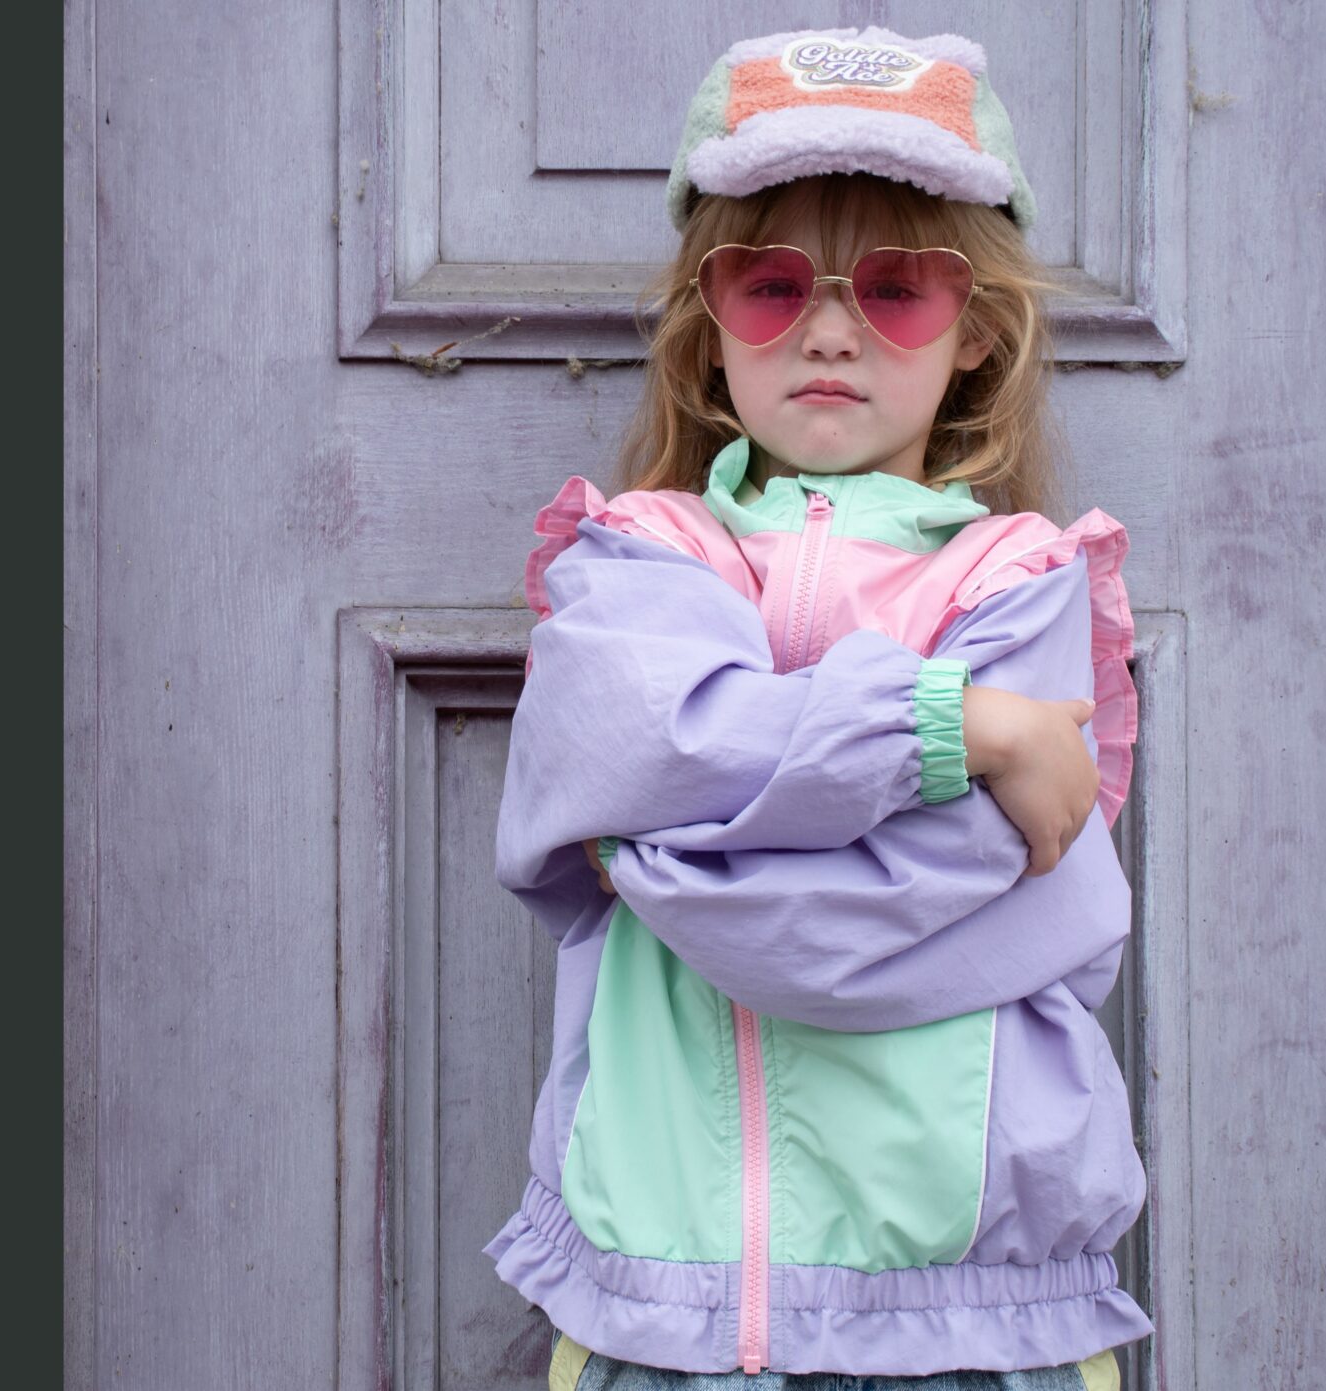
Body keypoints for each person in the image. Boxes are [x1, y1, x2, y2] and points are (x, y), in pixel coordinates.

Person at [482, 26, 1148, 1390]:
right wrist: (954, 731)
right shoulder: (636, 562)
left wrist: (687, 832)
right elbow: (635, 746)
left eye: (897, 286)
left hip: (974, 1330)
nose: (832, 327)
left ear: (975, 332)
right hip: (664, 1322)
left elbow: (810, 921)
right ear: (708, 318)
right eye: (773, 281)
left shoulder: (1025, 586)